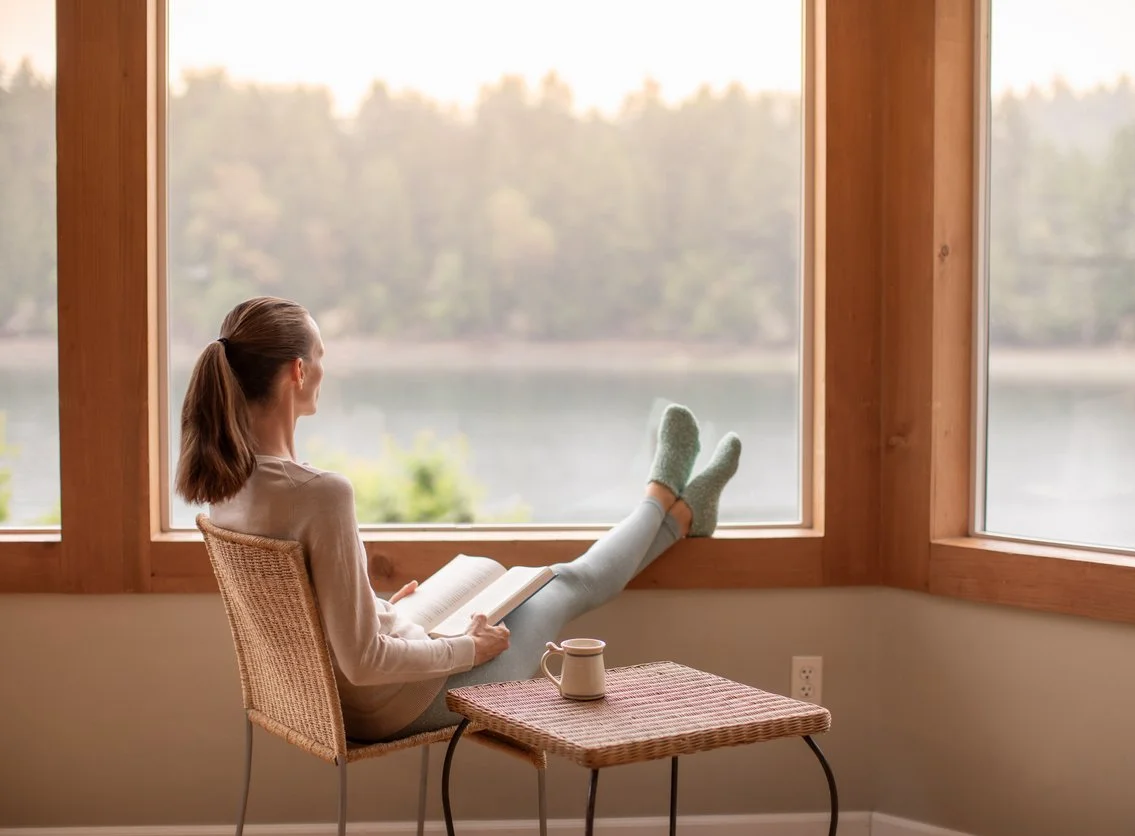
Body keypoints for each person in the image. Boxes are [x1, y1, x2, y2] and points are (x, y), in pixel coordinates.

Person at [176, 296, 742, 742]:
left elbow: (313, 620)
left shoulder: (227, 489)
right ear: (298, 371)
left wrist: (376, 608)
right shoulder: (320, 494)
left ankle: (681, 512)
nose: (326, 368)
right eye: (322, 355)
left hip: (337, 697)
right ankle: (665, 497)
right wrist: (469, 651)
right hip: (390, 701)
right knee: (563, 582)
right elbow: (364, 659)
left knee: (491, 578)